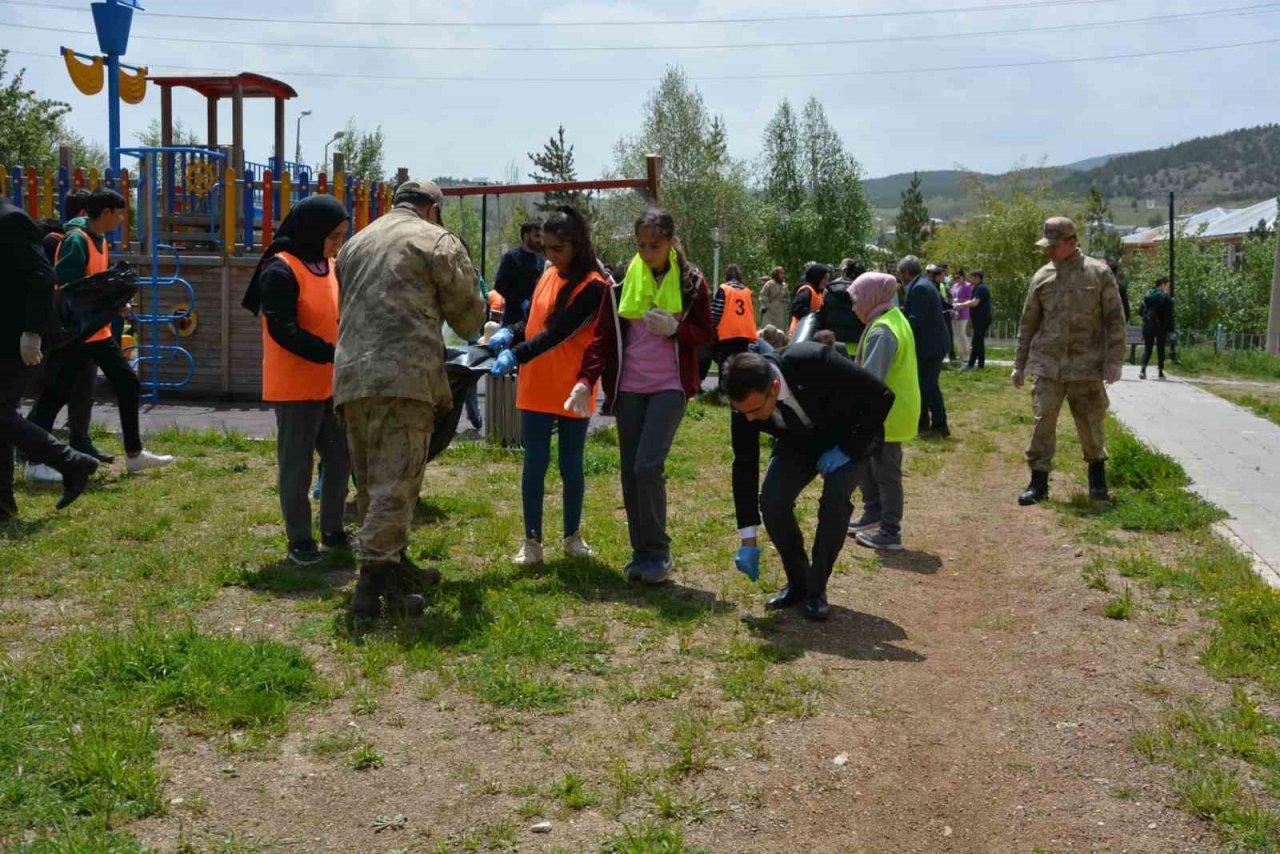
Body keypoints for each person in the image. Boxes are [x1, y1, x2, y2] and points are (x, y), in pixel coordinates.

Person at [334, 180, 486, 618]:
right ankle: (373, 588)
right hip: (405, 378)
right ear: (432, 209)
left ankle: (395, 565)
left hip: (351, 376)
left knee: (369, 482)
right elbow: (468, 315)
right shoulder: (435, 240)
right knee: (396, 483)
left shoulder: (356, 243)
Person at [567, 207, 713, 584]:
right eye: (641, 245)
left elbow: (706, 336)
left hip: (669, 386)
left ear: (670, 242)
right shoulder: (619, 283)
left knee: (648, 466)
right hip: (629, 387)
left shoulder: (691, 283)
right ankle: (641, 552)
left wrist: (676, 330)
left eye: (655, 245)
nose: (647, 253)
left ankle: (659, 551)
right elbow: (602, 335)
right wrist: (586, 380)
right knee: (631, 472)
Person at [724, 344, 893, 620]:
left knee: (834, 500)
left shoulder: (814, 360)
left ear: (775, 387)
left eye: (754, 410)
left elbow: (882, 396)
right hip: (799, 442)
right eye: (743, 412)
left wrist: (848, 450)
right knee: (773, 500)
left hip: (850, 436)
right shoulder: (745, 406)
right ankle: (798, 583)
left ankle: (816, 590)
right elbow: (744, 466)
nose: (749, 419)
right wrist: (748, 540)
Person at [25, 188, 174, 482]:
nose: (121, 219)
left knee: (128, 384)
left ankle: (134, 455)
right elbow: (65, 286)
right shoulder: (77, 241)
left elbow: (96, 286)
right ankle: (35, 462)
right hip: (76, 335)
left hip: (97, 333)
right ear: (105, 213)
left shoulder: (101, 241)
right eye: (119, 213)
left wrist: (114, 301)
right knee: (55, 395)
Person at [487, 205, 607, 566]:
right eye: (546, 250)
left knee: (572, 465)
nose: (551, 257)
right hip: (536, 383)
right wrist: (512, 331)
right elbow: (536, 319)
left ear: (577, 244)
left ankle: (572, 536)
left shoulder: (594, 287)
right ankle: (532, 542)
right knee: (534, 465)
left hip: (574, 387)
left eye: (558, 249)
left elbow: (559, 333)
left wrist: (516, 354)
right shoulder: (548, 273)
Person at [243, 195, 353, 567]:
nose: (338, 244)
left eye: (341, 237)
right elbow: (282, 329)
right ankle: (300, 538)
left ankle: (333, 528)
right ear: (313, 230)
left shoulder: (329, 265)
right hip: (295, 387)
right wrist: (329, 353)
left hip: (331, 384)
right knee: (297, 466)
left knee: (340, 458)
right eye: (334, 236)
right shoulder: (280, 269)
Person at [1012, 217, 1126, 506]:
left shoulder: (1098, 274)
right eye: (1047, 245)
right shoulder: (1041, 277)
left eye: (1054, 244)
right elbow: (1028, 324)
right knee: (1042, 423)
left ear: (1072, 242)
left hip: (1086, 365)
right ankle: (1038, 484)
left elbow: (1115, 320)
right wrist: (1019, 364)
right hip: (1048, 366)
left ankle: (1097, 484)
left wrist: (1114, 360)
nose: (1049, 250)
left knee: (1091, 424)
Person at [0, 197, 100, 519]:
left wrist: (31, 332)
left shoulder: (11, 220)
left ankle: (73, 463)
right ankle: (3, 504)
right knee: (3, 417)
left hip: (19, 339)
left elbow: (44, 278)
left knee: (1, 413)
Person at [846, 272, 921, 551]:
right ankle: (873, 512)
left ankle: (890, 531)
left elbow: (871, 379)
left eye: (856, 300)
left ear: (871, 297)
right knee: (868, 462)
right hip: (891, 409)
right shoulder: (891, 317)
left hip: (889, 413)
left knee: (886, 472)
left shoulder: (882, 330)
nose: (853, 307)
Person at [899, 256, 950, 438]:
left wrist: (899, 331)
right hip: (930, 344)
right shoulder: (922, 284)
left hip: (930, 345)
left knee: (928, 386)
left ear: (906, 272)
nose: (900, 278)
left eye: (901, 274)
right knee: (922, 385)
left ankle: (940, 425)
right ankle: (922, 424)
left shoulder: (919, 288)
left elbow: (915, 320)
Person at [494, 221, 544, 326]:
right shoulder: (511, 258)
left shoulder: (540, 260)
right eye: (536, 236)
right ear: (526, 236)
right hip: (513, 319)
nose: (540, 240)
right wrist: (520, 301)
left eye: (541, 236)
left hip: (534, 319)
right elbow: (499, 285)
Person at [710, 264, 758, 370]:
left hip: (727, 333)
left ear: (726, 275)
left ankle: (724, 386)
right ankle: (740, 386)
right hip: (745, 333)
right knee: (741, 364)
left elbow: (716, 312)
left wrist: (711, 327)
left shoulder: (724, 289)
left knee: (726, 363)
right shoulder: (747, 291)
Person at [815, 258, 865, 357]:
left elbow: (822, 317)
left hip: (833, 344)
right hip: (856, 345)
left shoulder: (829, 291)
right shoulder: (861, 293)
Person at [1139, 275, 1174, 380]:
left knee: (1148, 348)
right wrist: (1170, 329)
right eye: (1167, 284)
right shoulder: (1165, 297)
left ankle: (1143, 370)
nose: (1167, 286)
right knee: (1160, 349)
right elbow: (1169, 315)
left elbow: (1140, 311)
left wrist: (1147, 319)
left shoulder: (1148, 294)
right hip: (1160, 327)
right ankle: (1160, 372)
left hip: (1148, 325)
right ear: (1163, 284)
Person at [962, 270, 992, 370]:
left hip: (981, 319)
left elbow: (975, 303)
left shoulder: (981, 288)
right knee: (979, 341)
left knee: (976, 341)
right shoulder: (977, 288)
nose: (971, 279)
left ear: (978, 278)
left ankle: (970, 365)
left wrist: (961, 305)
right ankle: (981, 365)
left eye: (972, 277)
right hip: (978, 318)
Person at [789, 263, 828, 338]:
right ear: (817, 277)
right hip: (799, 333)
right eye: (824, 278)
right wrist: (815, 313)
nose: (826, 281)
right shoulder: (806, 290)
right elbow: (796, 309)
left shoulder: (819, 292)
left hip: (809, 331)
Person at [949, 267, 973, 365]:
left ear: (963, 277)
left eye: (959, 277)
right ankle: (961, 353)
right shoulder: (955, 286)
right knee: (956, 334)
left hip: (963, 312)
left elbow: (969, 298)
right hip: (954, 312)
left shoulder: (968, 286)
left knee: (962, 333)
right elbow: (951, 296)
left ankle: (967, 354)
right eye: (956, 277)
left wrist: (959, 301)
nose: (957, 279)